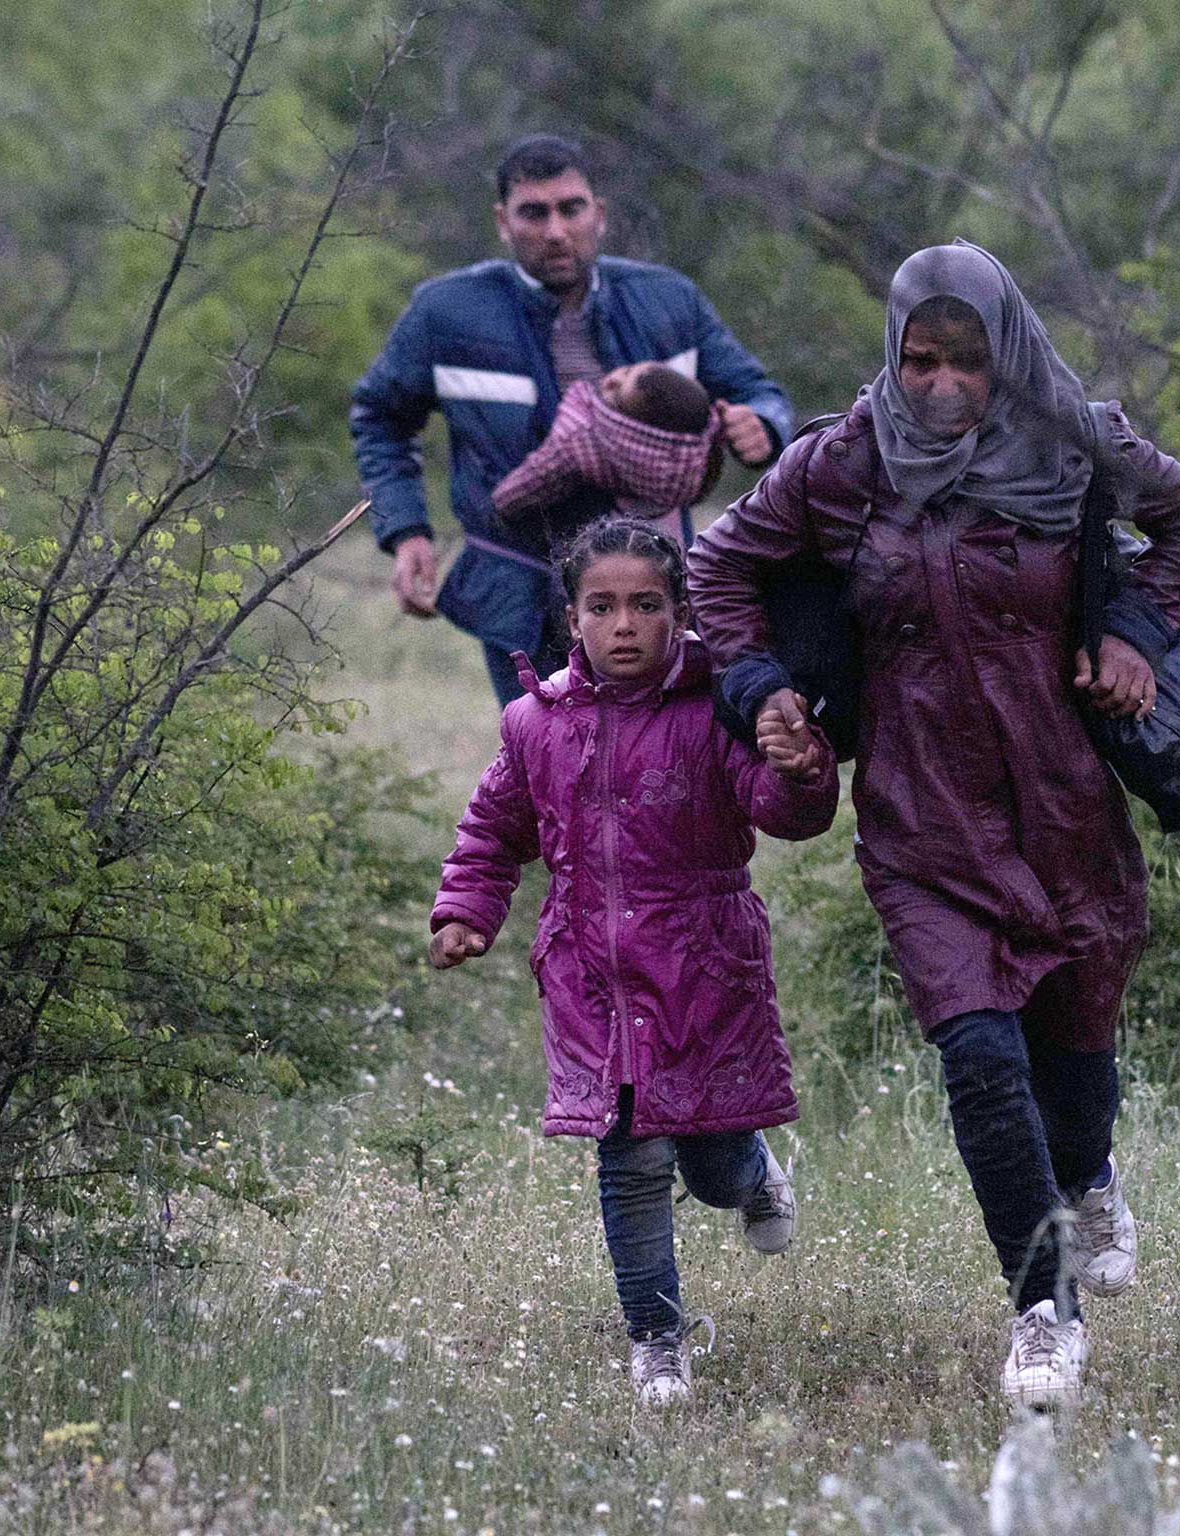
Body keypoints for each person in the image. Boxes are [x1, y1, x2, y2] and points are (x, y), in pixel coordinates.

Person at [686, 241, 1180, 1408]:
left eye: (966, 364)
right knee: (980, 1061)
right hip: (920, 815)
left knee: (1072, 1063)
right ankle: (1042, 1312)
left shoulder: (1078, 441)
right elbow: (718, 565)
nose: (939, 387)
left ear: (1009, 358)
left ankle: (1089, 1174)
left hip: (1064, 804)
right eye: (918, 361)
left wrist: (1133, 628)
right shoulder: (840, 463)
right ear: (891, 353)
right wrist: (758, 690)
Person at [427, 516, 839, 1407]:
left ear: (682, 612)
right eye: (602, 606)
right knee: (631, 1159)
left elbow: (780, 810)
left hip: (704, 967)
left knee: (708, 1163)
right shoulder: (534, 722)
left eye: (646, 606)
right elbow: (494, 831)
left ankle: (753, 1170)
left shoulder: (718, 707)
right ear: (570, 618)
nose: (624, 626)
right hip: (589, 973)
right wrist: (466, 909)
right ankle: (657, 1340)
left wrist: (802, 767)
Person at [349, 134, 794, 708]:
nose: (555, 231)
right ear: (503, 221)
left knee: (670, 768)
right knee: (551, 772)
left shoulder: (669, 300)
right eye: (534, 213)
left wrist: (761, 426)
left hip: (655, 587)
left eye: (570, 209)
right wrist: (405, 530)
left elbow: (758, 391)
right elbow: (380, 419)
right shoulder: (447, 313)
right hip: (518, 591)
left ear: (599, 214)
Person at [490, 362, 726, 541]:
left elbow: (513, 495)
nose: (611, 377)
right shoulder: (685, 469)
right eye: (627, 370)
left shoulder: (576, 437)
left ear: (633, 437)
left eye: (618, 391)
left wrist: (494, 513)